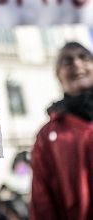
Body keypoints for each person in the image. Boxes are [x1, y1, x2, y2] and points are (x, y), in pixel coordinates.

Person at [30, 41, 93, 220]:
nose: (77, 64)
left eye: (84, 57)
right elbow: (42, 202)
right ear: (59, 77)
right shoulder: (47, 137)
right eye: (67, 61)